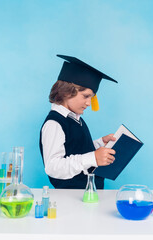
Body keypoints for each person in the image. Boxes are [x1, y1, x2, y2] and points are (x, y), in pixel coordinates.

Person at [39, 54, 118, 189]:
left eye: (91, 98)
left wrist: (99, 143)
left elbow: (74, 148)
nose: (88, 103)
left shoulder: (75, 119)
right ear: (66, 92)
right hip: (71, 197)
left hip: (87, 193)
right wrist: (93, 157)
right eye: (86, 96)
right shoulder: (55, 123)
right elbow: (53, 167)